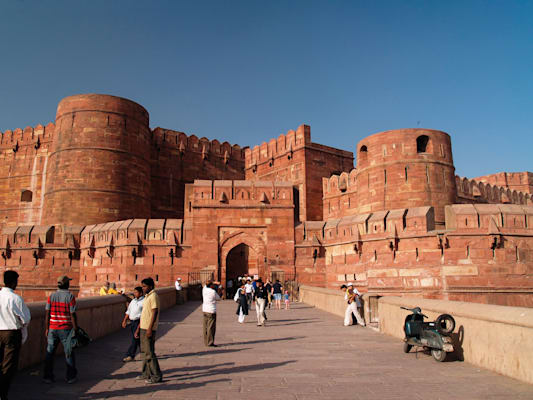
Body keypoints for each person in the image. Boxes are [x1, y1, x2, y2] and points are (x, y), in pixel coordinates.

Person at [0, 270, 31, 400]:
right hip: (11, 333)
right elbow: (26, 319)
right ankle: (3, 395)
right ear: (13, 282)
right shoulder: (15, 298)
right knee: (8, 367)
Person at [43, 275, 78, 384]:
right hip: (66, 329)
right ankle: (70, 377)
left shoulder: (51, 296)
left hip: (53, 328)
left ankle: (48, 377)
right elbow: (73, 315)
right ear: (67, 284)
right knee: (68, 352)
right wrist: (76, 329)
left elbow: (47, 314)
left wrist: (46, 328)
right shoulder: (70, 297)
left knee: (50, 353)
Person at [134, 277, 162, 384]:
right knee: (144, 352)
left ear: (150, 286)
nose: (143, 288)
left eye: (144, 286)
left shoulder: (153, 296)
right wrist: (138, 329)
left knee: (149, 353)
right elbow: (144, 314)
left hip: (148, 328)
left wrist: (150, 328)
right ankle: (146, 373)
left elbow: (154, 312)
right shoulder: (147, 296)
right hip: (143, 327)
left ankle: (156, 375)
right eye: (142, 286)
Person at [122, 286, 144, 362]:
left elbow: (144, 315)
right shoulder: (133, 301)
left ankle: (130, 355)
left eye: (136, 292)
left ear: (141, 293)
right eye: (134, 292)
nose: (135, 293)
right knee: (137, 339)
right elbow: (128, 311)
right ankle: (145, 352)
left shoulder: (144, 301)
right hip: (132, 322)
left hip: (139, 322)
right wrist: (124, 320)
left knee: (135, 338)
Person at [202, 280, 221, 347]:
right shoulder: (213, 292)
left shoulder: (204, 289)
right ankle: (210, 342)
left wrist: (213, 283)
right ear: (211, 285)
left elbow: (204, 285)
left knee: (205, 327)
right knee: (211, 327)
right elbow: (218, 298)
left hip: (204, 309)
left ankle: (206, 341)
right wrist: (219, 287)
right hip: (211, 310)